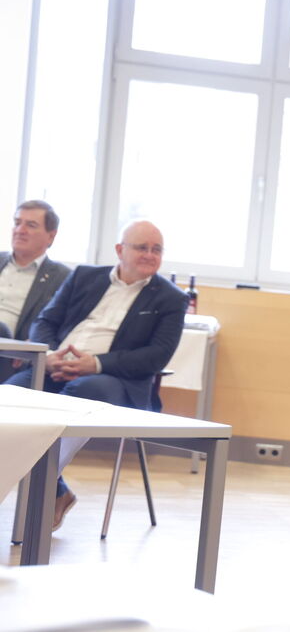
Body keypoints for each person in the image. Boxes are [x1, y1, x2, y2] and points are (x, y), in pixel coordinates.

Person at [5, 220, 188, 530]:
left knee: (82, 392)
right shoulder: (84, 276)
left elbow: (157, 355)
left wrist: (96, 364)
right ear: (119, 250)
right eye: (142, 247)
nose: (149, 255)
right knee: (13, 395)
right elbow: (45, 321)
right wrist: (50, 356)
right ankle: (56, 490)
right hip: (56, 367)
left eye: (156, 249)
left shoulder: (170, 298)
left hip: (114, 382)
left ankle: (46, 485)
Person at [0, 200, 71, 382]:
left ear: (51, 236)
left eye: (30, 225)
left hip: (14, 354)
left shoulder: (63, 278)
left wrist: (33, 342)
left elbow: (62, 327)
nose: (20, 230)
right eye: (17, 223)